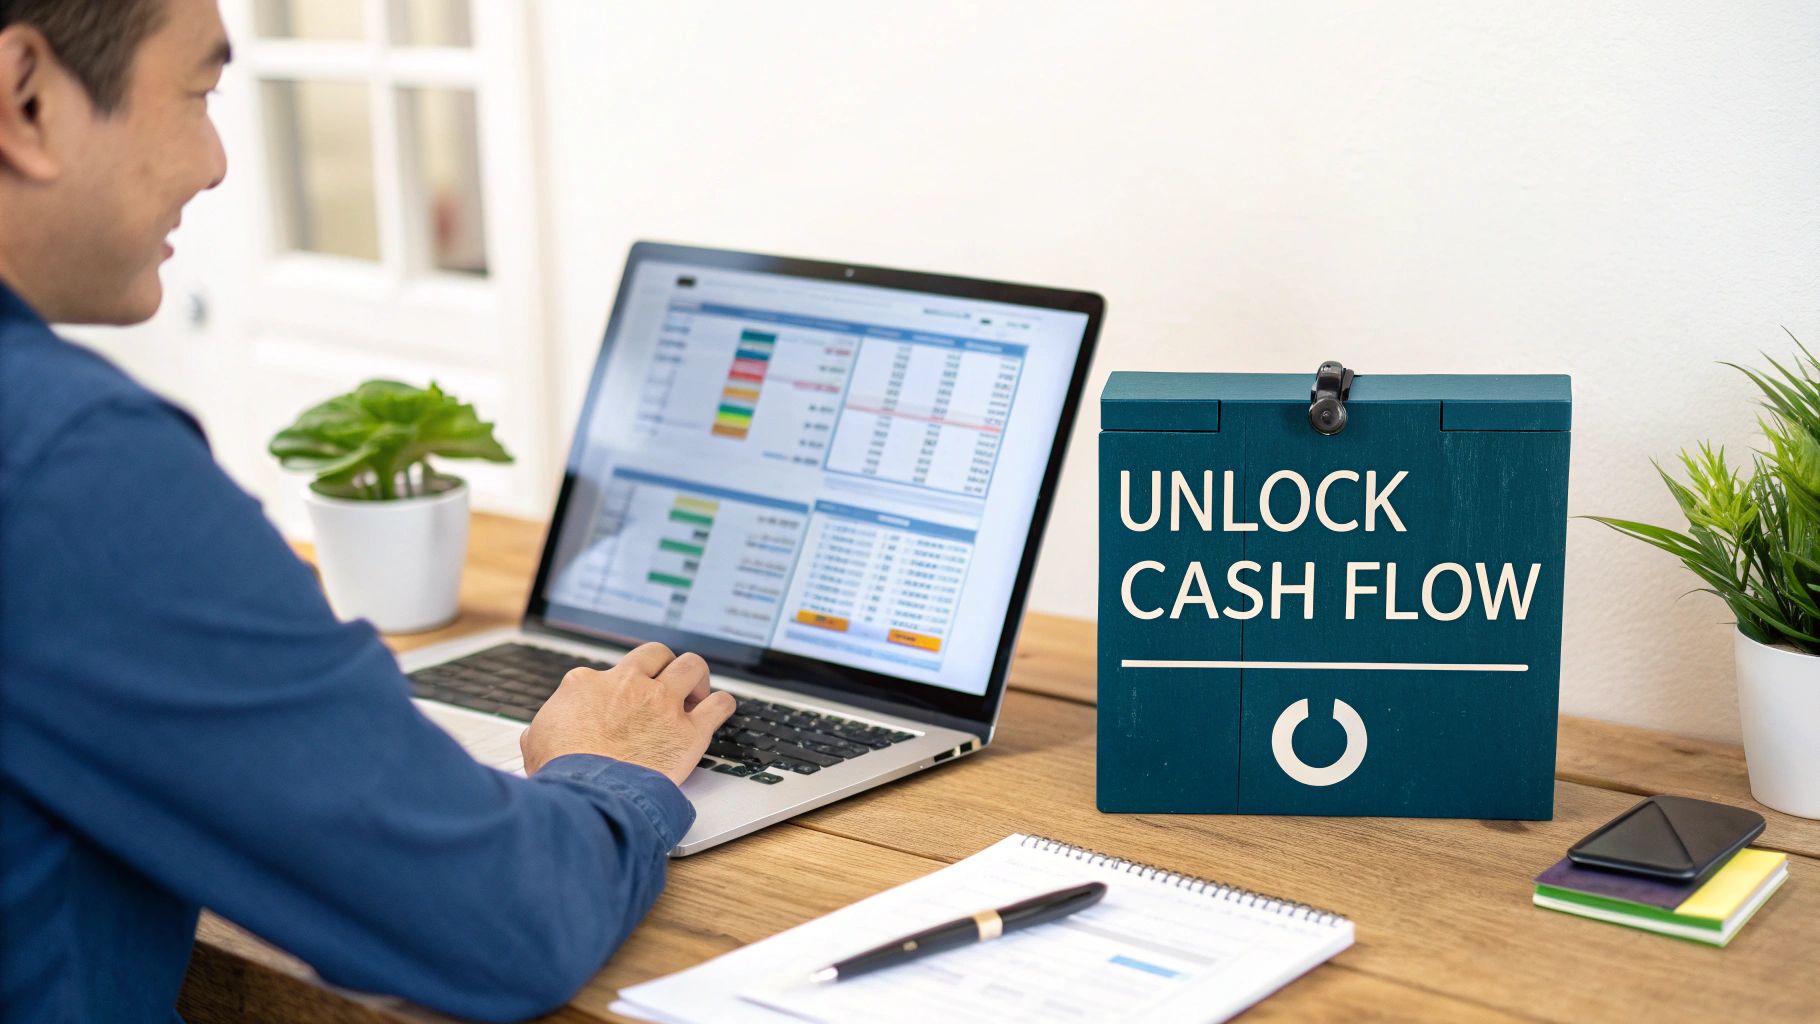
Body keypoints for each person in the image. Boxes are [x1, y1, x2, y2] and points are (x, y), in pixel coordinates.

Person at [0, 1, 736, 1021]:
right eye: (198, 94)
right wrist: (605, 769)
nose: (213, 164)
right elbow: (502, 922)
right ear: (26, 97)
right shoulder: (67, 466)